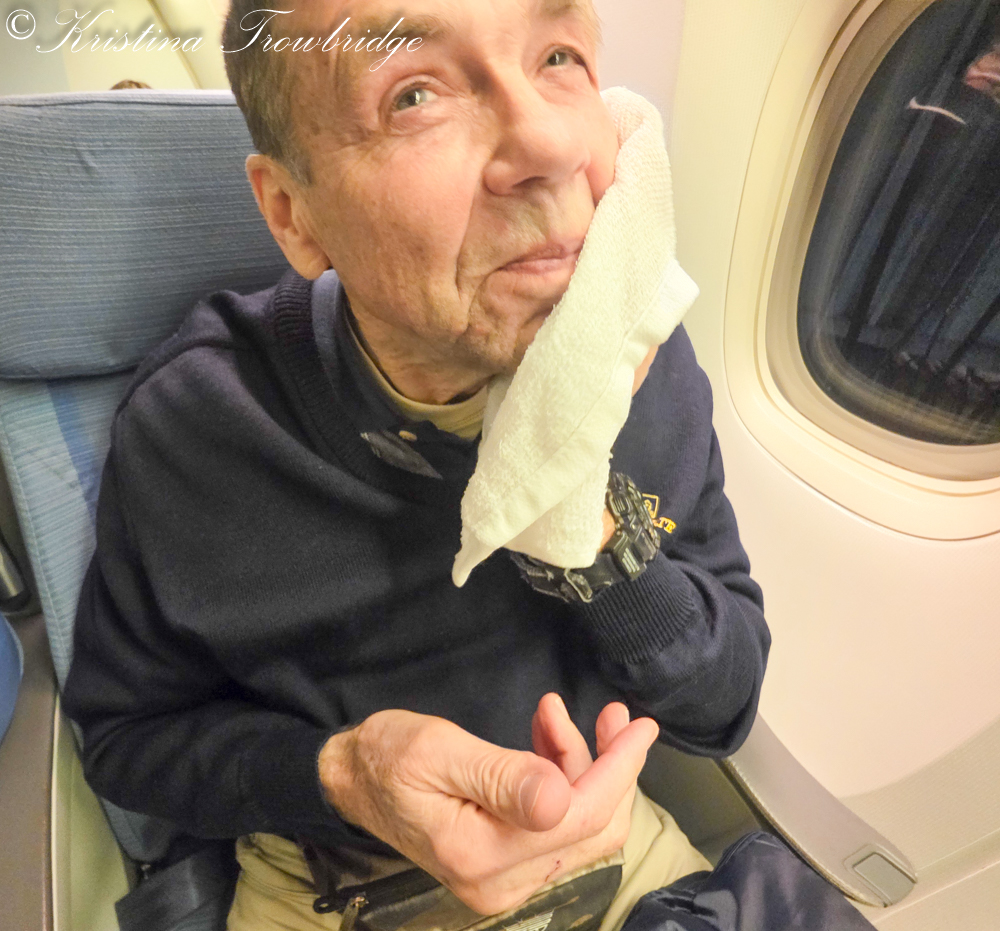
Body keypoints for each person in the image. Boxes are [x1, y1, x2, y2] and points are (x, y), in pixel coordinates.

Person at [62, 1, 770, 928]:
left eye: (559, 56)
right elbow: (126, 739)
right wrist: (343, 774)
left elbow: (724, 707)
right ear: (294, 215)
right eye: (414, 95)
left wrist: (586, 524)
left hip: (609, 847)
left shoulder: (649, 361)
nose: (553, 144)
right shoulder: (198, 428)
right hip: (335, 882)